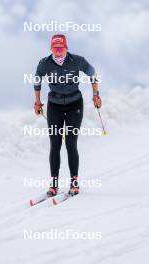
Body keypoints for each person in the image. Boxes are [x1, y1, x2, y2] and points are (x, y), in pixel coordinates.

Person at [34, 34, 102, 197]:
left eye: (61, 48)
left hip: (74, 105)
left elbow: (92, 73)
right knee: (55, 144)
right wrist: (37, 102)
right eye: (55, 48)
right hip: (54, 106)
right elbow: (37, 82)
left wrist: (96, 94)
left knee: (71, 143)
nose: (58, 51)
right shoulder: (44, 64)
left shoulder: (77, 60)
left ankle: (74, 181)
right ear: (51, 49)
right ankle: (54, 184)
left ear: (66, 48)